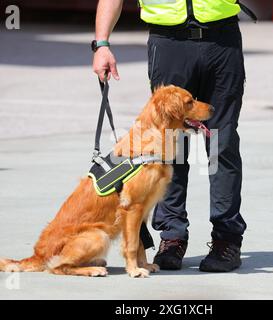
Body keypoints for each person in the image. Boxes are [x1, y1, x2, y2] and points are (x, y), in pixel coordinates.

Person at [92, 0, 249, 272]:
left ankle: (226, 239)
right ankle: (172, 235)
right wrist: (101, 44)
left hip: (222, 42)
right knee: (169, 146)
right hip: (169, 43)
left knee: (219, 146)